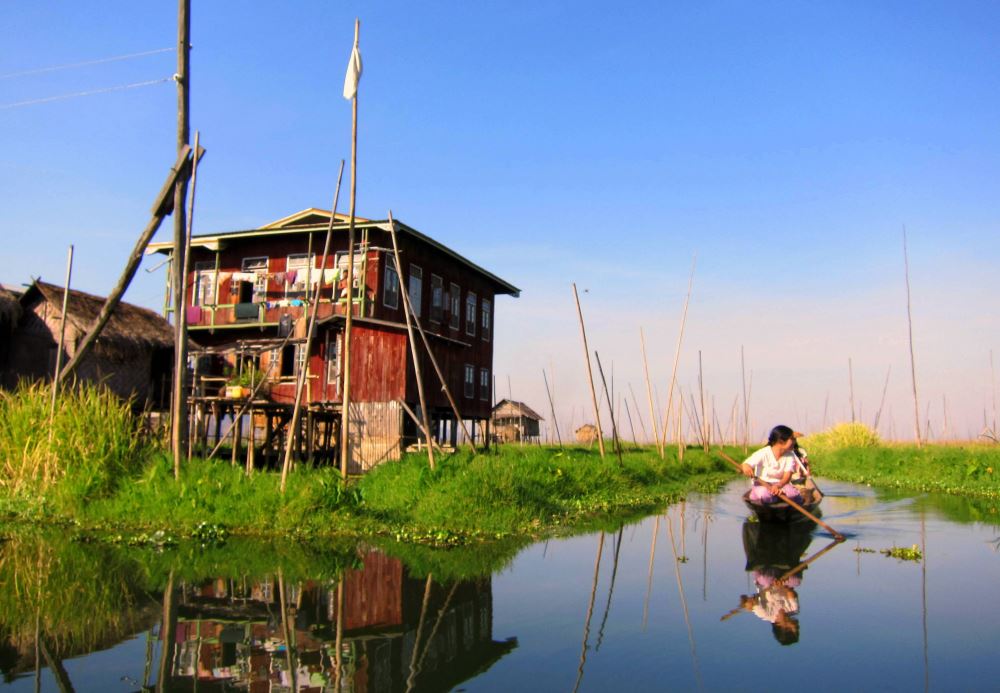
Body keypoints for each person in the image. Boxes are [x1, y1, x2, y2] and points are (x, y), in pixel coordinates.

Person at [740, 425, 802, 504]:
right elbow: (746, 464)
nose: (794, 442)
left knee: (794, 495)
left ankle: (777, 499)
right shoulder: (764, 453)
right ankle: (776, 499)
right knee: (764, 495)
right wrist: (746, 467)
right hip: (762, 485)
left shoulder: (790, 455)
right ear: (781, 441)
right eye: (792, 439)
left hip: (781, 485)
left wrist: (778, 486)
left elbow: (787, 477)